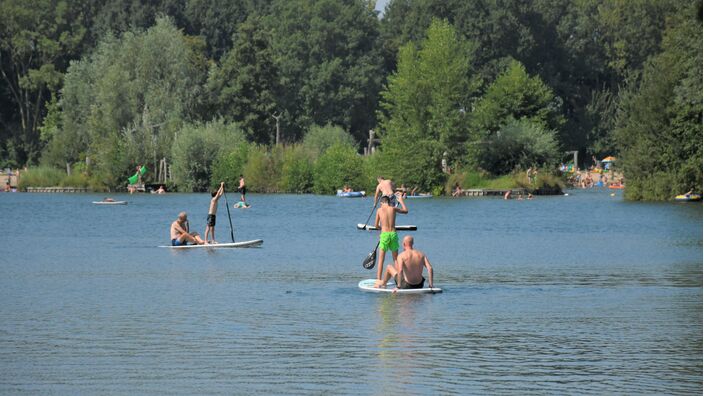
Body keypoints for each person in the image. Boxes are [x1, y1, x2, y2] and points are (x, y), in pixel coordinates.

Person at [374, 193, 408, 280]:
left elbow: (376, 226)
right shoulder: (393, 209)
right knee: (396, 259)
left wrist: (381, 228)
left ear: (382, 203)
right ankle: (399, 279)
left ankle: (378, 280)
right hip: (393, 234)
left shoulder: (379, 210)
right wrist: (401, 201)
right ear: (388, 202)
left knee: (381, 259)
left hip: (385, 235)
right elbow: (405, 211)